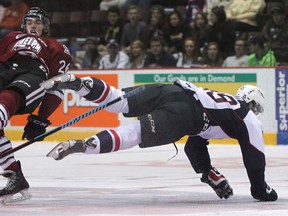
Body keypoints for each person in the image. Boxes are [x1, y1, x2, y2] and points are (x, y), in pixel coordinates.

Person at [41, 73, 278, 202]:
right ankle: (82, 145)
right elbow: (255, 158)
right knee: (135, 133)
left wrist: (209, 173)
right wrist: (261, 191)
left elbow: (194, 143)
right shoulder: (248, 118)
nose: (256, 115)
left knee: (119, 99)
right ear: (254, 104)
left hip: (173, 90)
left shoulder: (221, 102)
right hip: (187, 114)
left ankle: (79, 83)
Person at [0, 7, 72, 202]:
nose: (33, 25)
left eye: (38, 22)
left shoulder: (56, 47)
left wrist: (41, 118)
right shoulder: (11, 37)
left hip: (31, 74)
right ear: (24, 25)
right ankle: (15, 176)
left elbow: (56, 87)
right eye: (30, 22)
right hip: (4, 69)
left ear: (45, 27)